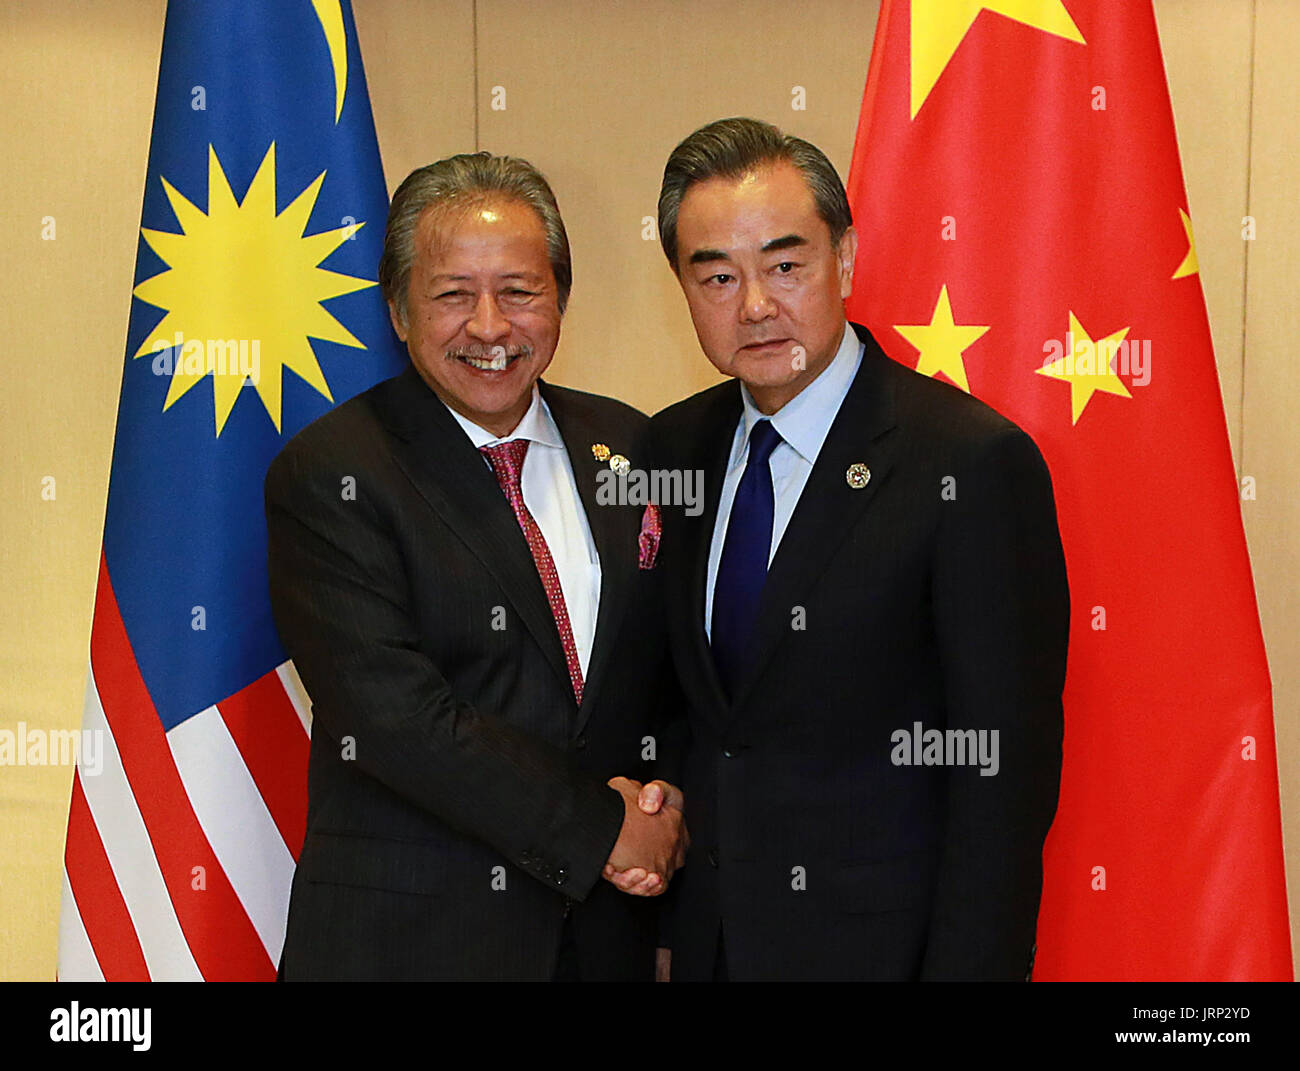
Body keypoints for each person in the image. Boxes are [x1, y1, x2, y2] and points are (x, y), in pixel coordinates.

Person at [642, 117, 1069, 981]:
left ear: (845, 259)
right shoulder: (670, 451)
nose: (755, 304)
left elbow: (1000, 776)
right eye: (718, 274)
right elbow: (692, 719)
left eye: (785, 265)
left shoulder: (968, 462)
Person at [264, 152, 685, 981]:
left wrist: (672, 807)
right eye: (453, 293)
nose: (489, 326)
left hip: (604, 945)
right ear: (397, 308)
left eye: (520, 291)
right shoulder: (334, 472)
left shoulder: (636, 448)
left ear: (561, 297)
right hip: (410, 945)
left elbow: (675, 672)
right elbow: (397, 718)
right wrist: (602, 828)